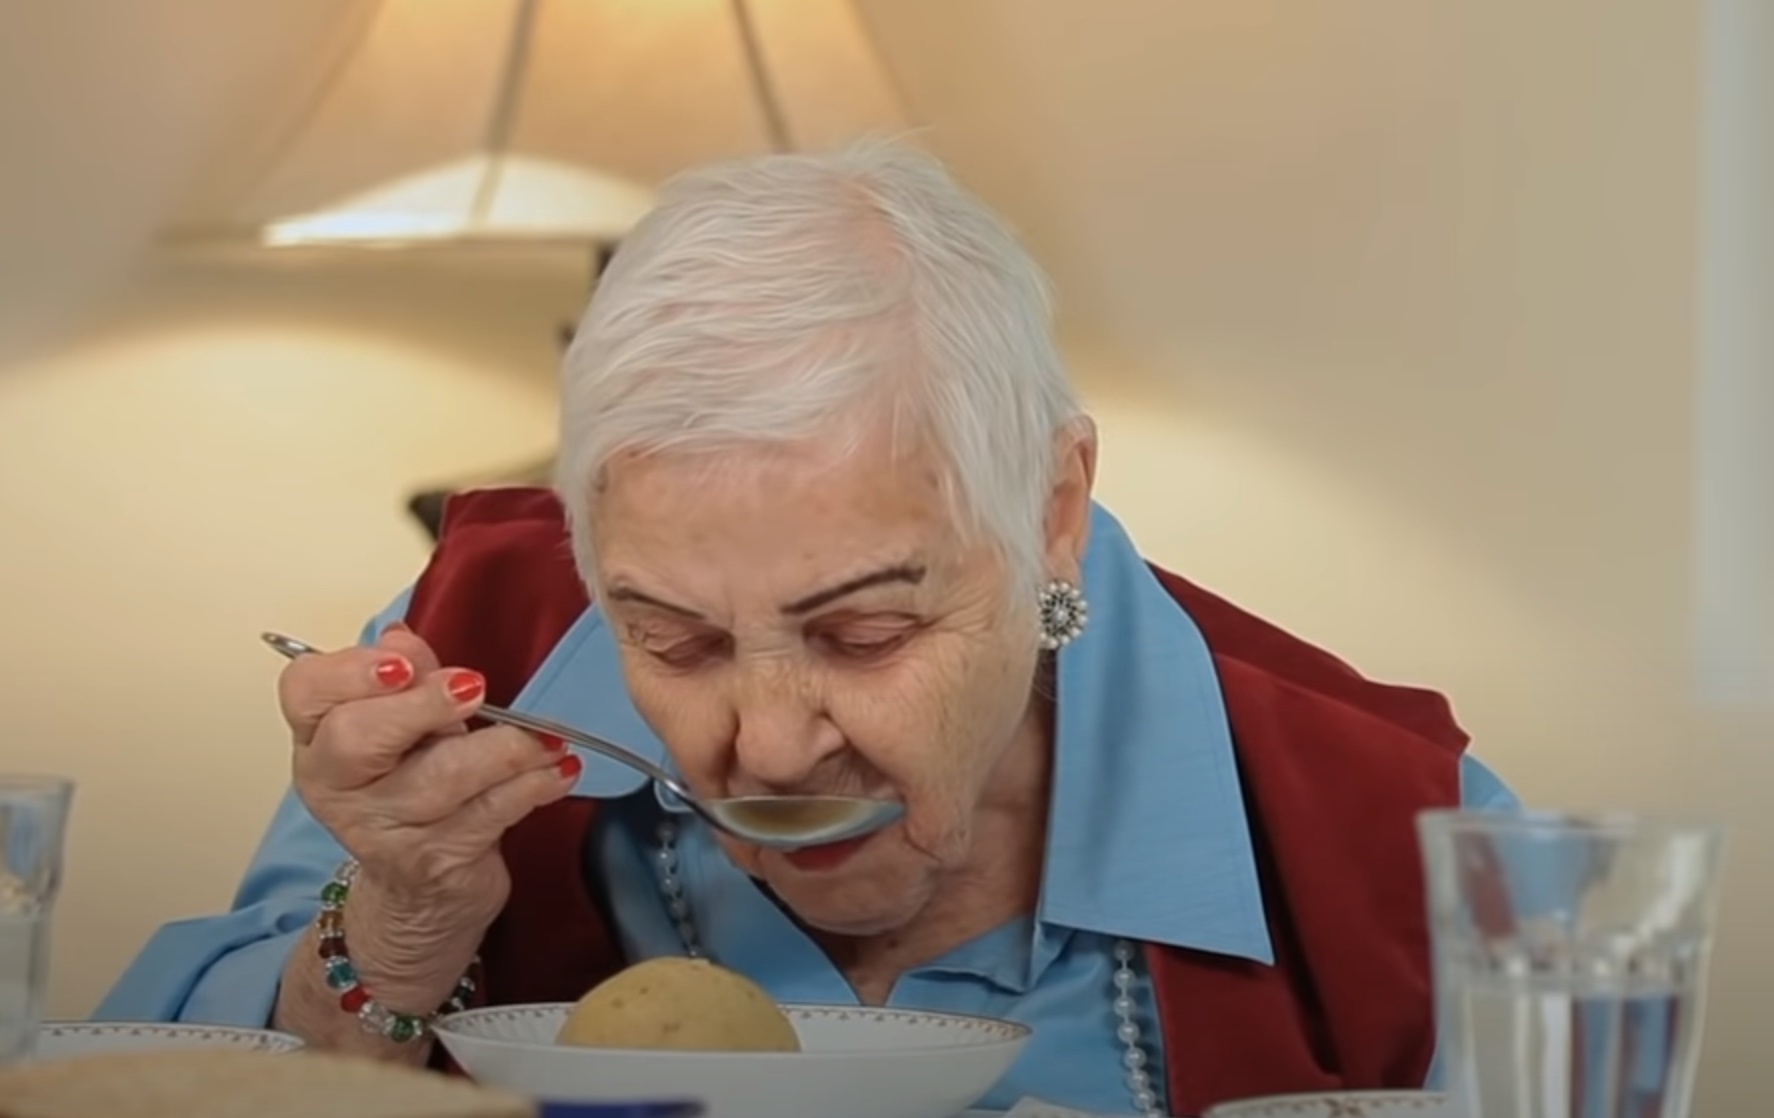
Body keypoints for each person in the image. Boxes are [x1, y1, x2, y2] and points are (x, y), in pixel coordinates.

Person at [98, 141, 1517, 1117]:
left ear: (1051, 508)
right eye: (673, 636)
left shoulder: (1408, 834)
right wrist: (401, 929)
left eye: (862, 633)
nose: (763, 748)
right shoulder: (470, 659)